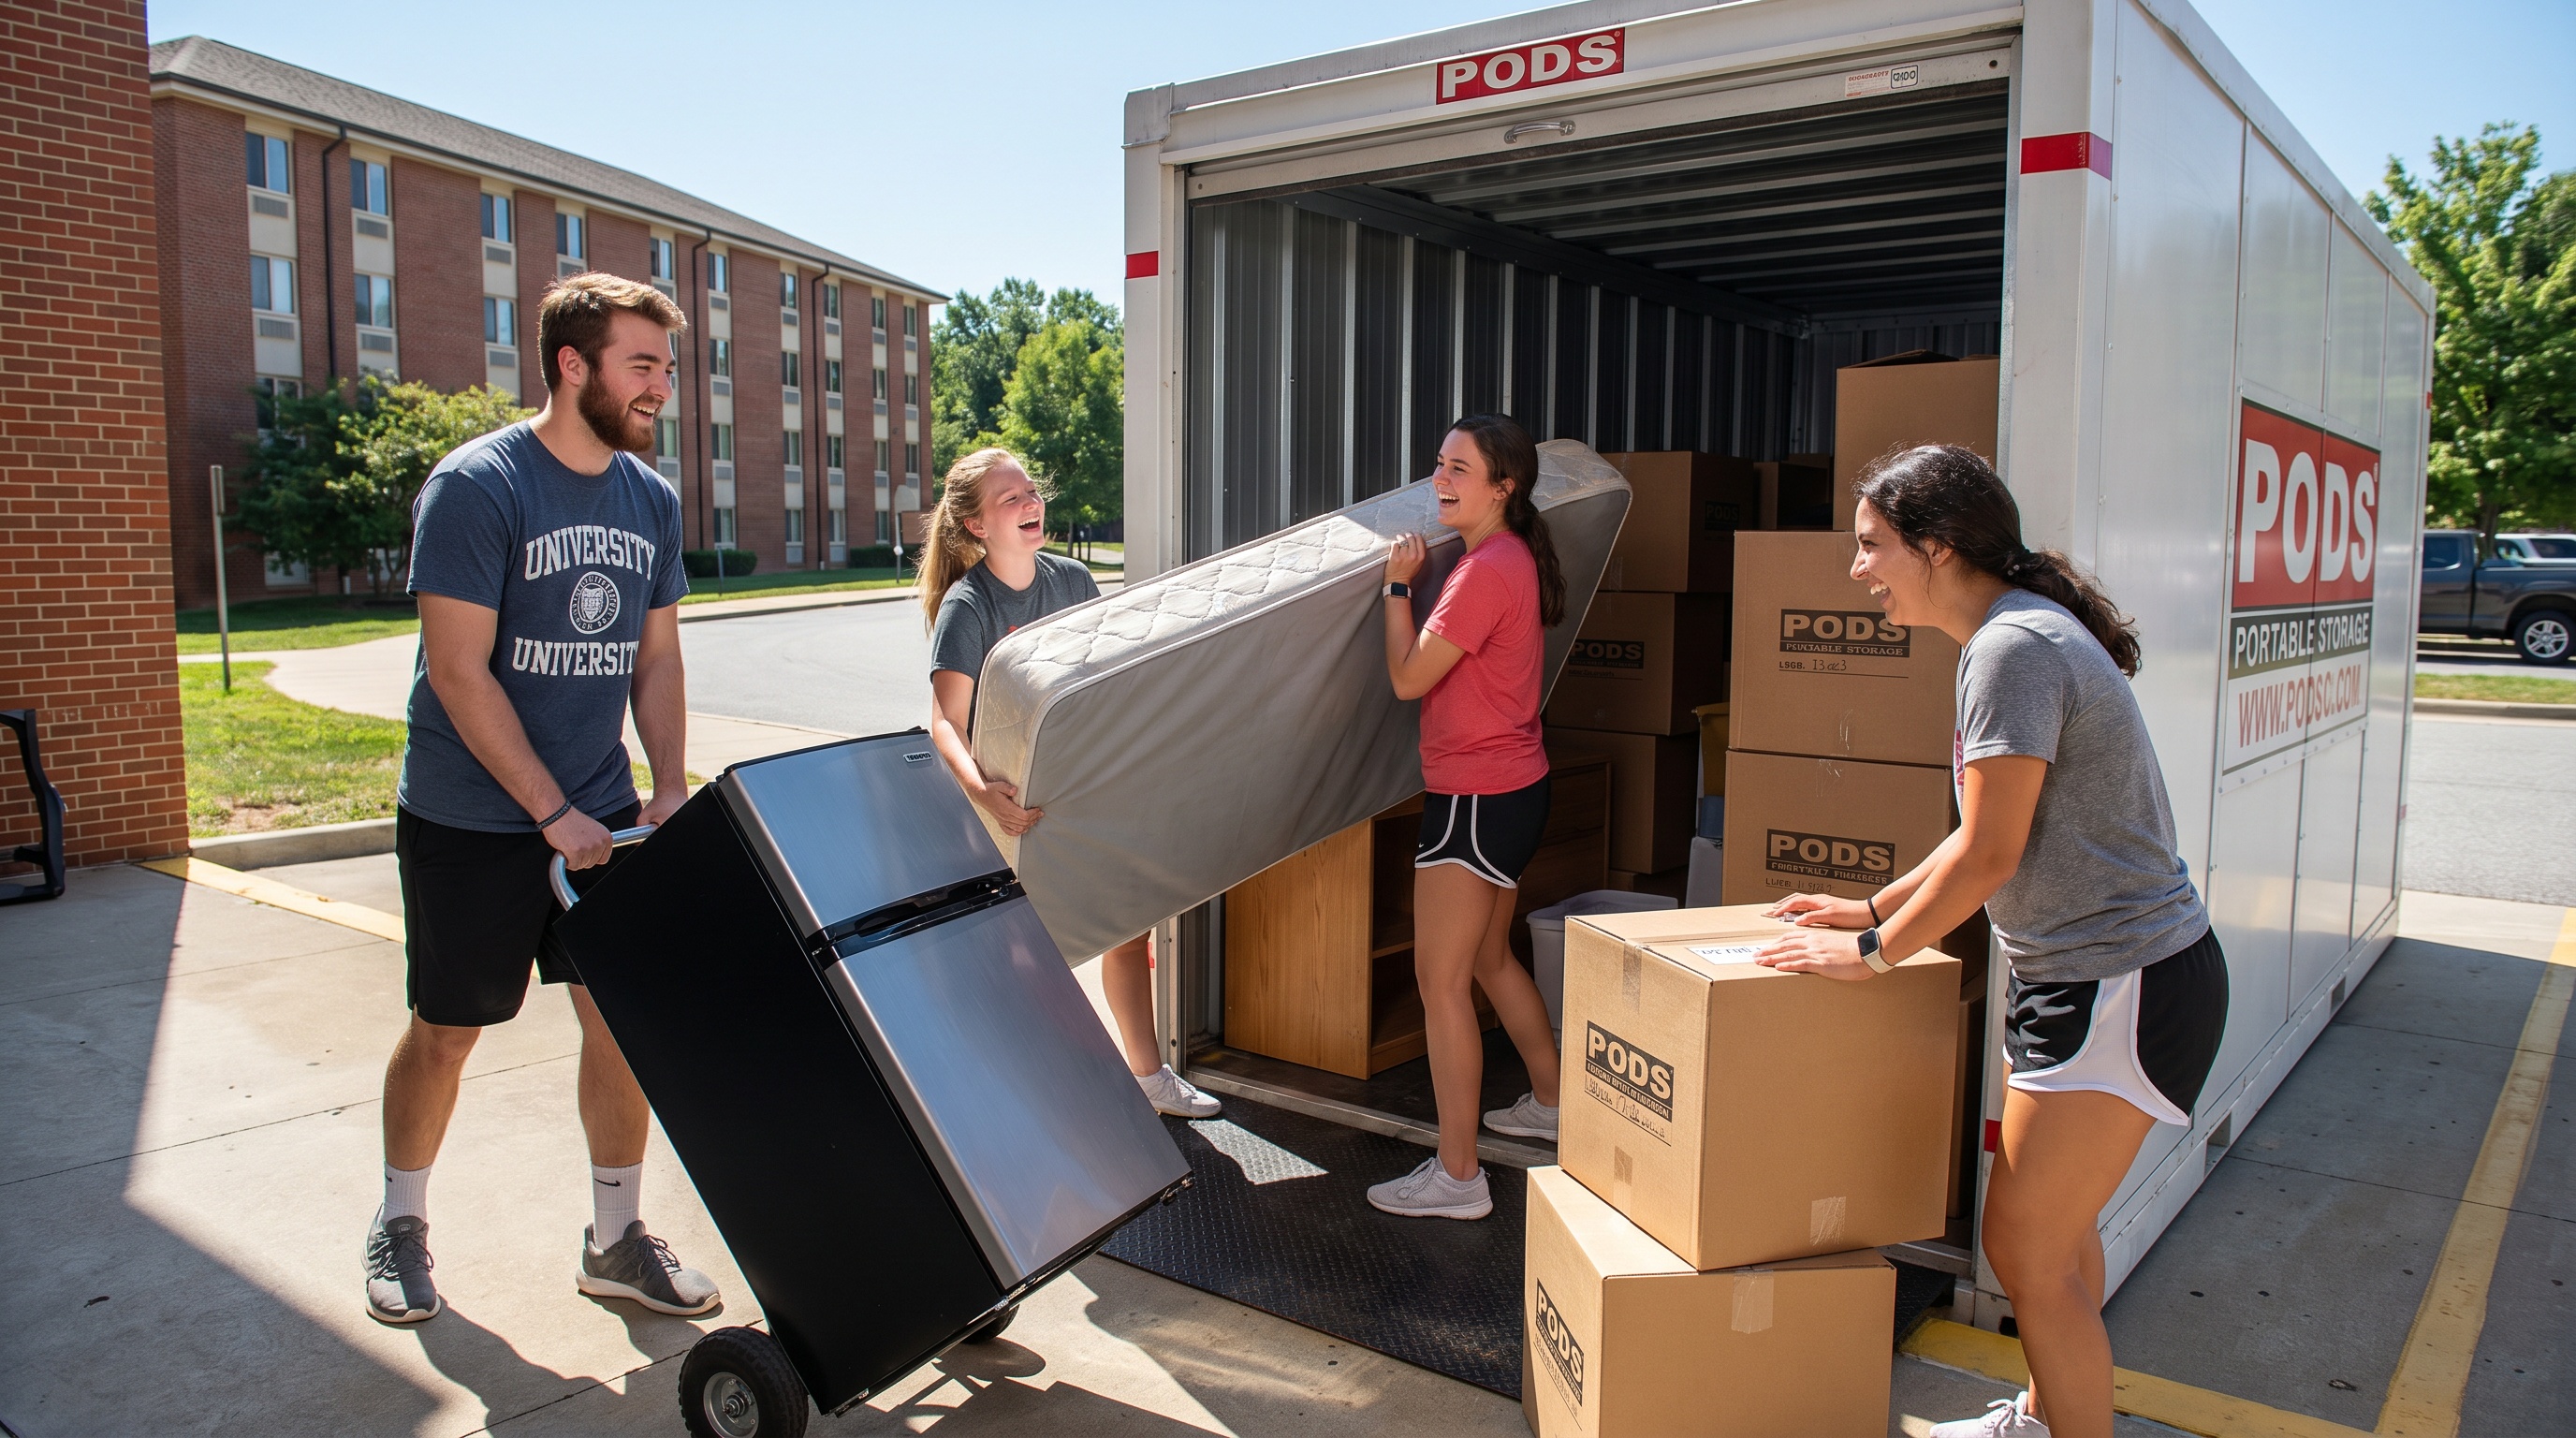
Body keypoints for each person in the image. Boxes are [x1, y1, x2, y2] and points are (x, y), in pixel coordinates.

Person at [1755, 446, 2228, 1438]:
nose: (1857, 570)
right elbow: (1974, 836)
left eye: (1871, 546)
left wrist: (1869, 959)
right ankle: (2047, 1417)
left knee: (2026, 1250)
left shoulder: (2014, 650)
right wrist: (1873, 911)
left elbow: (1989, 859)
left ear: (1936, 548)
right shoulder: (2010, 639)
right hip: (2089, 978)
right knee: (2050, 1242)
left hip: (2119, 984)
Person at [365, 273, 718, 1326]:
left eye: (667, 366)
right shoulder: (480, 485)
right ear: (574, 366)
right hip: (472, 820)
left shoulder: (647, 498)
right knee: (446, 1030)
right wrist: (547, 813)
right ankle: (400, 1224)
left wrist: (663, 784)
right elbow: (459, 671)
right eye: (642, 365)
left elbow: (655, 660)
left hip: (604, 817)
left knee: (622, 1025)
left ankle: (615, 1240)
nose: (663, 387)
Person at [922, 447, 1221, 1121]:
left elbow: (1105, 680)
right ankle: (1022, 1097)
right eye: (1010, 500)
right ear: (976, 527)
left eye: (1031, 491)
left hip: (1085, 790)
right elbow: (946, 722)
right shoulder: (969, 608)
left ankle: (1149, 1080)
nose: (1031, 504)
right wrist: (981, 793)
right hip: (1013, 808)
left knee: (1126, 931)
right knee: (1030, 955)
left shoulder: (1073, 580)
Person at [1368, 414, 1569, 1221]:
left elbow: (1410, 679)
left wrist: (1394, 590)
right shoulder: (1510, 556)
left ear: (1503, 486)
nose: (1440, 480)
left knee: (1439, 981)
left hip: (1475, 800)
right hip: (1514, 788)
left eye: (1458, 469)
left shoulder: (1486, 570)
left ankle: (1458, 1177)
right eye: (1439, 465)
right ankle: (1553, 1104)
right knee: (1488, 959)